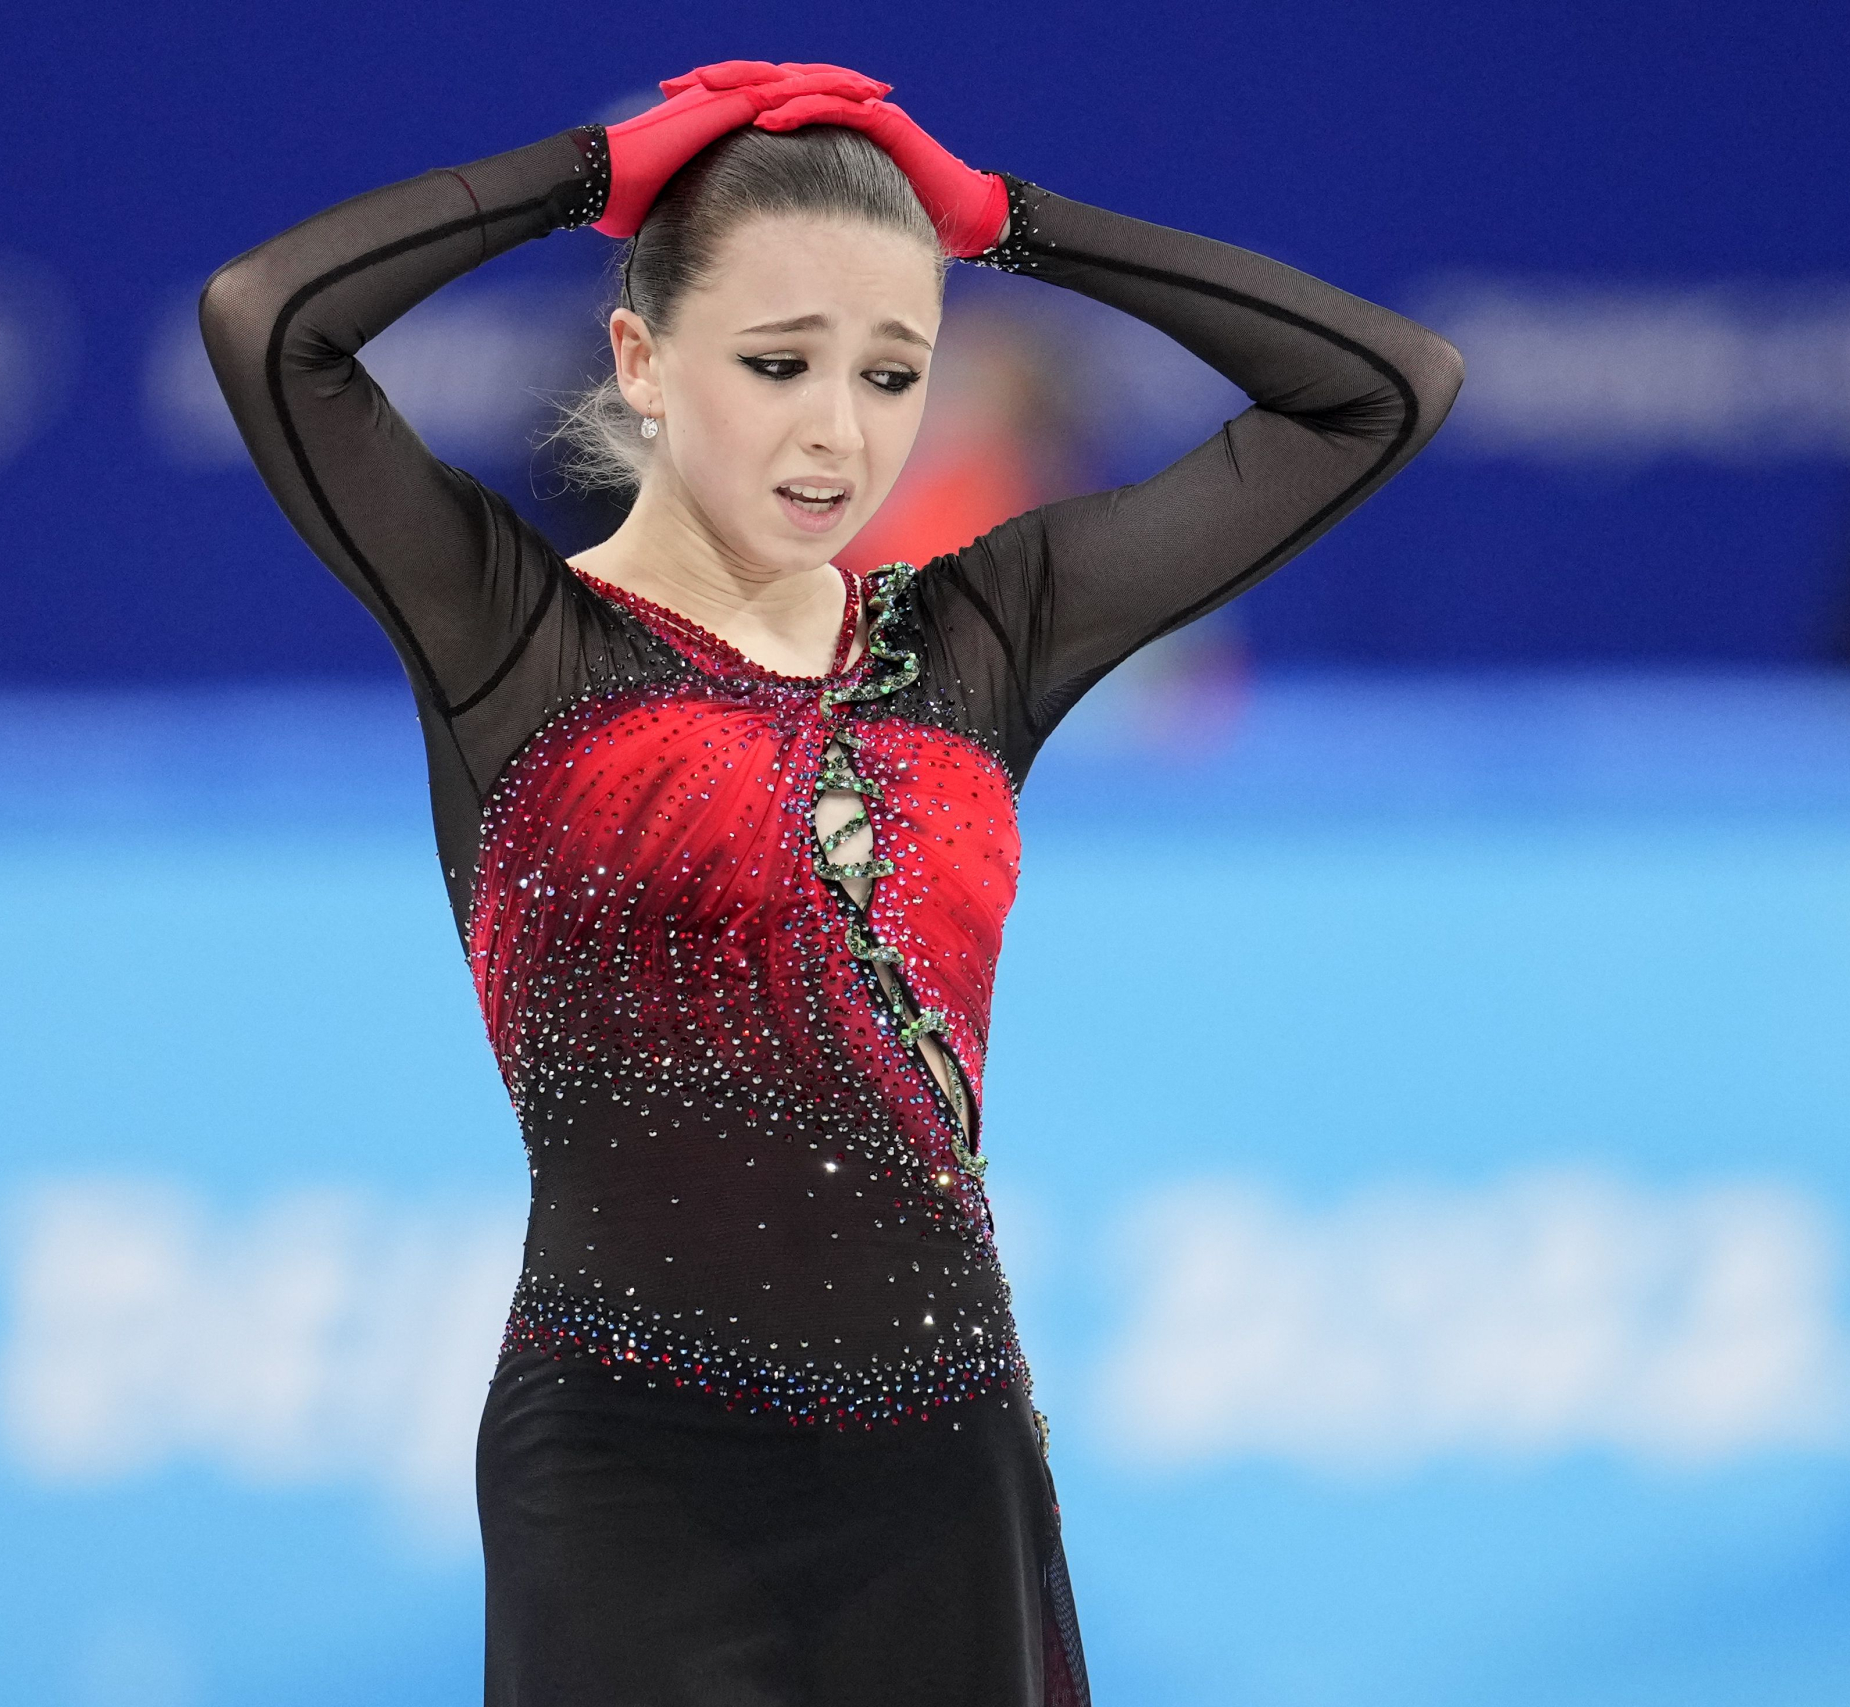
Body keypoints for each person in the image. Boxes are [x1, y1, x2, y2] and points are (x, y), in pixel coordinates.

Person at [200, 59, 1461, 1707]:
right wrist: (592, 171)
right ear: (642, 360)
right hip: (629, 1475)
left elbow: (1386, 389)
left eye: (892, 373)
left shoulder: (982, 636)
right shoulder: (512, 640)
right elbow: (267, 319)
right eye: (779, 362)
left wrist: (1006, 222)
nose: (835, 431)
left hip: (946, 1473)